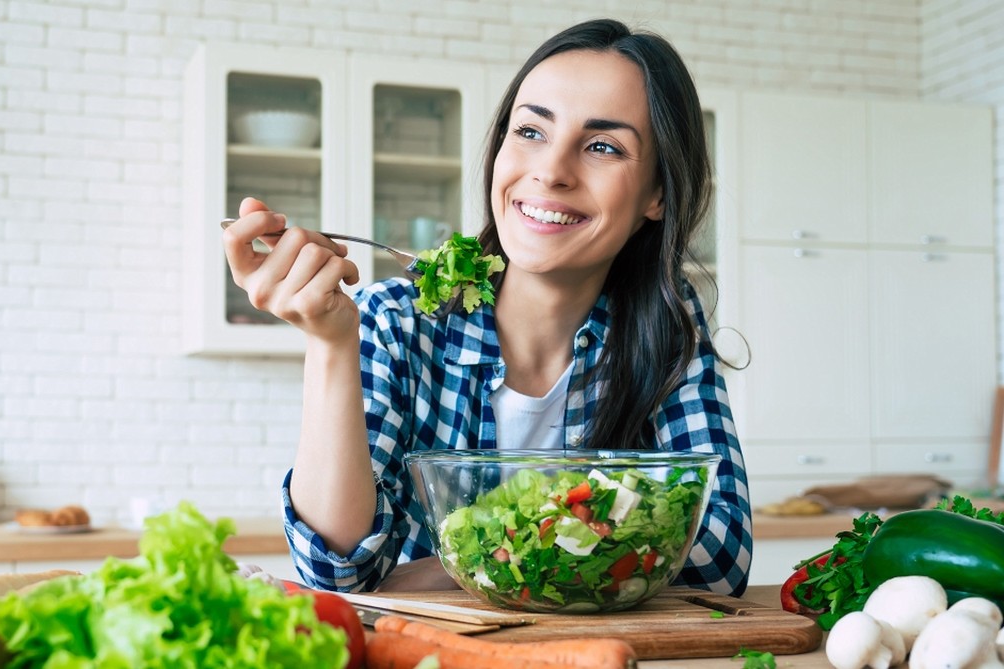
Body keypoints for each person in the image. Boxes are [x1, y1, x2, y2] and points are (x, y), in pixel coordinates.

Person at [221, 18, 752, 597]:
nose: (550, 171)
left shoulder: (668, 328)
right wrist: (328, 343)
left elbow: (719, 556)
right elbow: (340, 570)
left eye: (602, 146)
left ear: (657, 194)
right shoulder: (396, 321)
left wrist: (459, 563)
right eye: (530, 132)